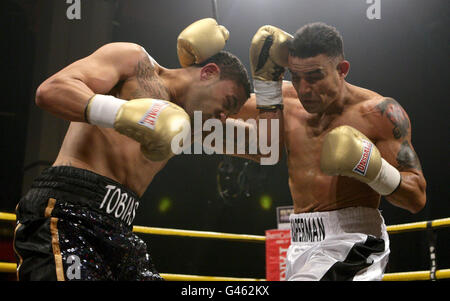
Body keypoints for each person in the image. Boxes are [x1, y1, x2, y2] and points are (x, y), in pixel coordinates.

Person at [13, 18, 251, 281]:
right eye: (227, 102)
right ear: (208, 73)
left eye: (230, 113)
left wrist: (269, 78)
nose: (222, 117)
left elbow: (265, 143)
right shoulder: (134, 62)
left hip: (121, 229)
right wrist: (124, 113)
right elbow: (50, 91)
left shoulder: (191, 125)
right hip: (68, 210)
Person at [231, 22, 426, 280]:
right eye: (296, 77)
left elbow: (416, 197)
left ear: (342, 70)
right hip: (299, 243)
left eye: (314, 77)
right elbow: (217, 108)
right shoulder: (286, 100)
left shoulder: (379, 113)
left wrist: (374, 169)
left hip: (354, 242)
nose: (304, 89)